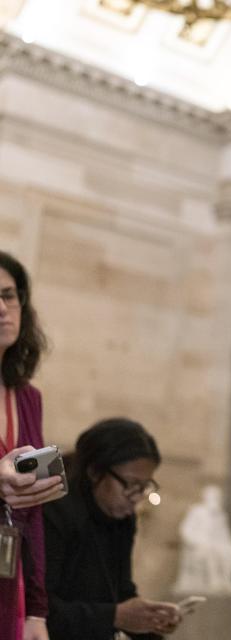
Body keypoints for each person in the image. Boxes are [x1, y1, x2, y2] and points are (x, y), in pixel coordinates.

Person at [43, 418, 182, 639]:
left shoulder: (123, 518)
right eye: (130, 484)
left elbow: (119, 591)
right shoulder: (55, 511)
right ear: (96, 472)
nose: (136, 497)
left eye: (144, 486)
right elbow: (37, 610)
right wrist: (114, 617)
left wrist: (151, 620)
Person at [0, 250, 62, 640]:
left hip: (8, 576)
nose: (1, 308)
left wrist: (37, 610)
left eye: (8, 295)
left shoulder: (28, 398)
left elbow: (35, 512)